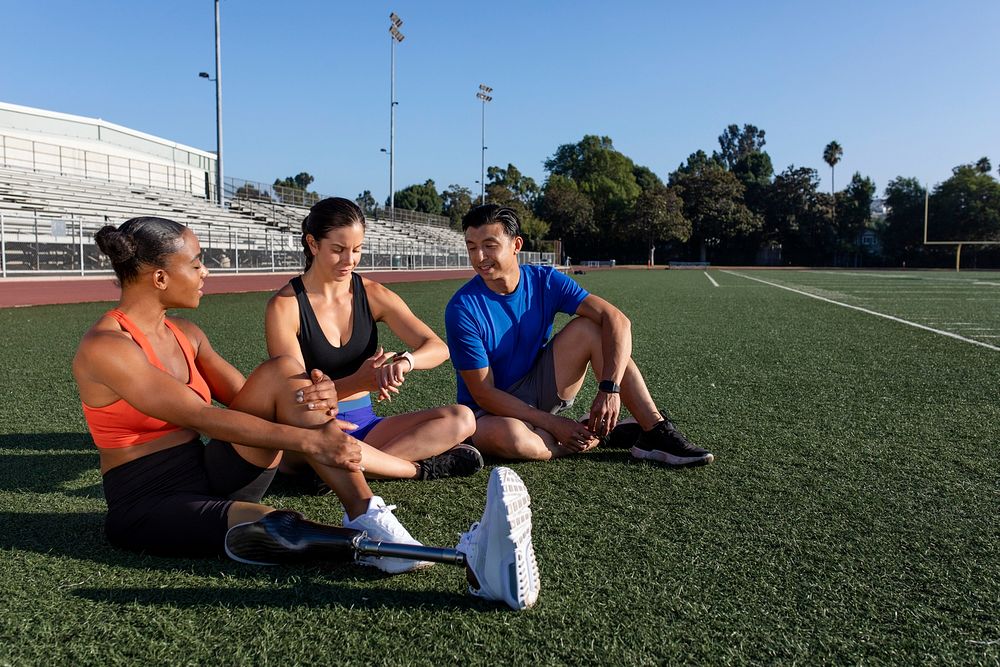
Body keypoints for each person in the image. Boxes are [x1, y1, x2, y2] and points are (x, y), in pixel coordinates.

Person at [71, 216, 539, 609]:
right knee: (271, 526)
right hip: (148, 499)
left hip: (209, 467)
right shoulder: (107, 347)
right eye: (195, 264)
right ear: (158, 277)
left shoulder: (187, 333)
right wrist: (311, 439)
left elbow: (248, 394)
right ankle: (444, 557)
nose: (206, 272)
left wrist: (314, 393)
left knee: (281, 374)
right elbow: (202, 416)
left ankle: (367, 512)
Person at [444, 204, 715, 466]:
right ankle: (595, 436)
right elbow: (484, 394)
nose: (479, 257)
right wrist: (552, 422)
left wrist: (610, 389)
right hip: (492, 411)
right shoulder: (462, 308)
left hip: (539, 385)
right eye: (472, 248)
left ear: (516, 245)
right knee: (510, 438)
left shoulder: (544, 280)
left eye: (490, 246)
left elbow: (618, 321)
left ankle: (654, 429)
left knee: (591, 329)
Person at [265, 197, 481, 484]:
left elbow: (437, 347)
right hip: (312, 433)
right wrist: (360, 381)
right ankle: (415, 469)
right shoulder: (285, 306)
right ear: (313, 244)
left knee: (462, 418)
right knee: (313, 439)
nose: (349, 260)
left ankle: (351, 471)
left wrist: (406, 361)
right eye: (338, 250)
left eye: (357, 250)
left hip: (365, 426)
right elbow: (298, 402)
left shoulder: (372, 294)